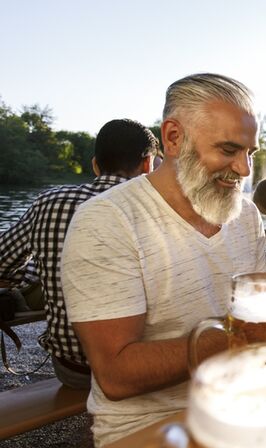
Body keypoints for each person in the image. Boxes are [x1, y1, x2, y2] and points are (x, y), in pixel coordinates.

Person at [61, 74, 266, 447]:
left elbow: (257, 320)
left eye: (250, 154)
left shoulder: (245, 216)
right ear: (173, 138)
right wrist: (242, 335)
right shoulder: (106, 220)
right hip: (147, 429)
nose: (244, 170)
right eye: (228, 150)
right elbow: (116, 376)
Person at [0, 118, 158, 388]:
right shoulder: (159, 210)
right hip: (148, 367)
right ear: (147, 165)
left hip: (74, 370)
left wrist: (28, 275)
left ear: (95, 164)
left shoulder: (49, 201)